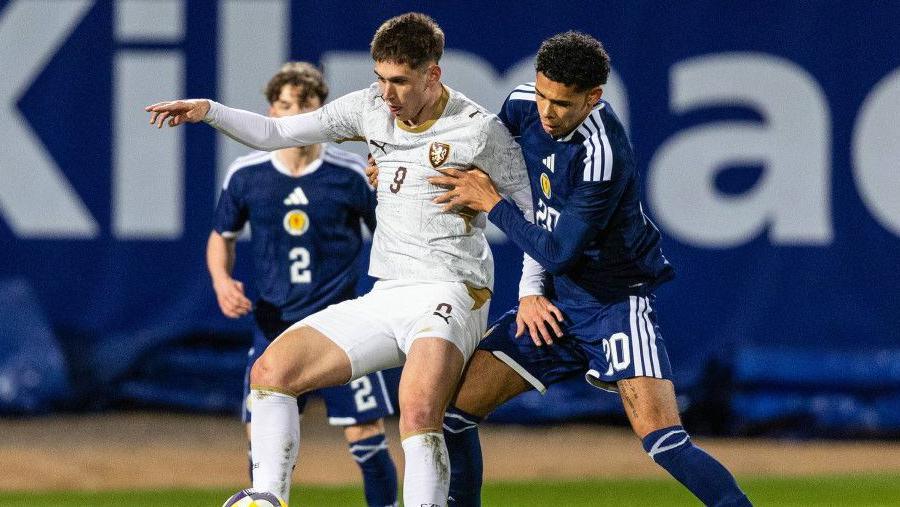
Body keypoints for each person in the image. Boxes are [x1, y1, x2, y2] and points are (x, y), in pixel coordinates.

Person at [146, 13, 537, 506]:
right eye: (380, 78)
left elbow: (535, 215)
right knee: (271, 372)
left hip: (452, 291)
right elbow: (275, 131)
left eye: (400, 81)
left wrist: (531, 291)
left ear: (432, 74)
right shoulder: (370, 108)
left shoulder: (478, 130)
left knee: (418, 412)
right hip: (388, 294)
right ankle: (266, 499)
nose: (387, 93)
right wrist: (209, 110)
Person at [426, 32, 752, 506]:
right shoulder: (521, 105)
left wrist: (493, 205)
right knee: (452, 416)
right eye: (542, 94)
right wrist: (391, 168)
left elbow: (560, 250)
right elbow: (475, 162)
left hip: (613, 304)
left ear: (593, 97)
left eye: (561, 103)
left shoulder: (603, 153)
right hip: (554, 306)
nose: (546, 111)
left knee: (663, 439)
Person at [207, 62, 398, 506]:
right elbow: (222, 236)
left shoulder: (351, 175)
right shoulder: (247, 174)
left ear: (321, 110)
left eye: (305, 105)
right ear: (271, 112)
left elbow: (392, 234)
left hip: (343, 327)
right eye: (285, 105)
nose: (295, 114)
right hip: (274, 326)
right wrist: (221, 280)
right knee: (261, 446)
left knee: (367, 437)